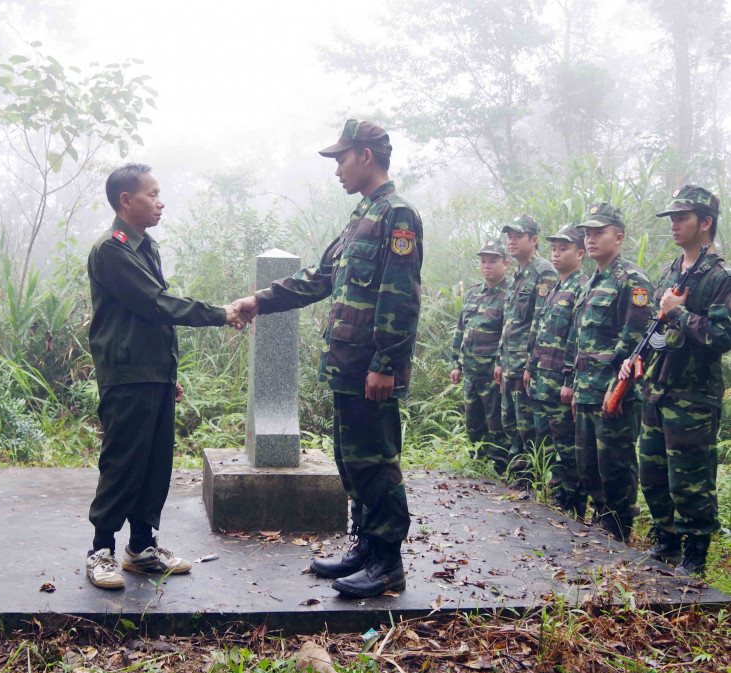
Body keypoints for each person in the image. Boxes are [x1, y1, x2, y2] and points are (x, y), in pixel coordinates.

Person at [233, 119, 422, 598]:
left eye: (340, 159)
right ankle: (363, 548)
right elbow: (319, 277)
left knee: (377, 461)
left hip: (370, 368)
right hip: (347, 366)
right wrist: (260, 300)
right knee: (352, 459)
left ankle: (387, 562)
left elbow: (400, 297)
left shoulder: (398, 215)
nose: (336, 169)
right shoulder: (363, 215)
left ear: (365, 155)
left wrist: (384, 362)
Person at [85, 163, 240, 590]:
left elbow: (156, 320)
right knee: (123, 463)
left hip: (151, 373)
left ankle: (141, 547)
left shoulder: (144, 247)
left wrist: (167, 373)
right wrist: (220, 314)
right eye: (152, 194)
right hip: (126, 375)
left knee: (155, 464)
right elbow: (156, 304)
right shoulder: (112, 250)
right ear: (125, 201)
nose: (161, 201)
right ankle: (101, 550)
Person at [629, 185, 728, 576]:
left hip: (694, 394)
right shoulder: (672, 271)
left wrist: (679, 314)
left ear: (705, 222)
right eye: (671, 218)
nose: (674, 224)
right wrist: (636, 357)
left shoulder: (721, 276)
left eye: (682, 217)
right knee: (651, 471)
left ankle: (695, 554)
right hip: (659, 387)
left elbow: (721, 336)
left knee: (690, 478)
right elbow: (657, 330)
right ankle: (666, 541)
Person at [570, 203, 652, 542]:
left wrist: (615, 387)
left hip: (613, 391)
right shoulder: (590, 282)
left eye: (598, 232)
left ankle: (618, 529)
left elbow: (634, 341)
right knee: (588, 464)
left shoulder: (631, 280)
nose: (590, 239)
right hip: (586, 390)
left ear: (619, 237)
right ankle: (602, 521)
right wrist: (577, 388)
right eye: (587, 233)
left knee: (615, 464)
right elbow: (582, 343)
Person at [523, 224, 588, 516]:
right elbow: (538, 332)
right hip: (541, 380)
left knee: (567, 445)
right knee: (545, 442)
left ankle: (573, 499)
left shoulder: (581, 288)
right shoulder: (554, 289)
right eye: (554, 248)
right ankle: (555, 492)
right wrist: (528, 367)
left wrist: (569, 380)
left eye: (564, 248)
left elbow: (577, 340)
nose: (557, 253)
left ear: (580, 253)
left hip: (560, 383)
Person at [494, 214, 557, 484]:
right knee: (511, 422)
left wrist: (531, 364)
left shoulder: (544, 272)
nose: (511, 241)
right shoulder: (518, 274)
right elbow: (510, 322)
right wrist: (499, 360)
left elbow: (542, 323)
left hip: (525, 363)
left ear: (534, 240)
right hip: (509, 362)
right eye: (509, 236)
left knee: (528, 425)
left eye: (518, 236)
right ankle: (519, 474)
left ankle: (532, 479)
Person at [450, 239, 511, 472]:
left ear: (505, 263)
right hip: (471, 371)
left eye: (493, 261)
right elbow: (461, 330)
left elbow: (508, 334)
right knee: (473, 421)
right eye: (483, 261)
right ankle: (478, 462)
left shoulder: (509, 295)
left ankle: (499, 467)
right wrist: (456, 364)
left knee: (496, 421)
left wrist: (500, 364)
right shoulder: (474, 293)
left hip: (492, 373)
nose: (487, 265)